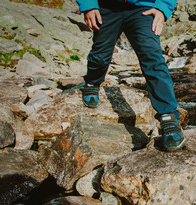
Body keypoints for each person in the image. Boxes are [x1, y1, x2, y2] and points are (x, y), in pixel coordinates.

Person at [75, 0, 185, 152]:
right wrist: (88, 5)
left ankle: (168, 117)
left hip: (144, 8)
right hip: (106, 7)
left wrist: (162, 8)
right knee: (100, 54)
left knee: (152, 57)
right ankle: (92, 83)